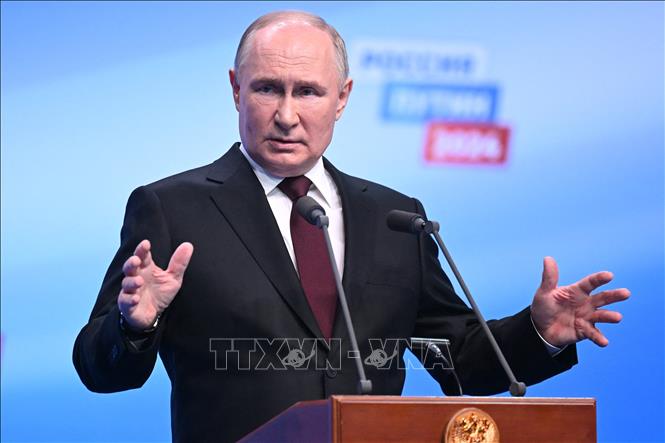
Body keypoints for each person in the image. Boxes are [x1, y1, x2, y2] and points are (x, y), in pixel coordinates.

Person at [73, 11, 629, 443]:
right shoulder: (172, 207)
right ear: (236, 89)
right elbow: (100, 370)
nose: (286, 115)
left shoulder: (394, 217)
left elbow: (458, 360)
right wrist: (135, 325)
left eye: (308, 91)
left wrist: (538, 331)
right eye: (267, 88)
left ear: (342, 98)